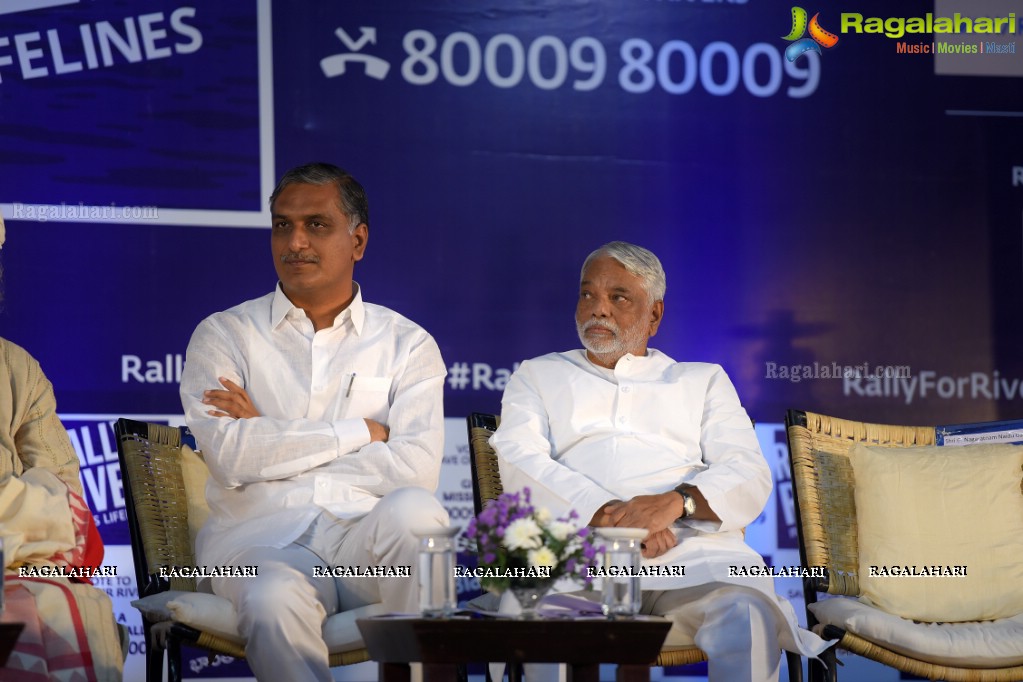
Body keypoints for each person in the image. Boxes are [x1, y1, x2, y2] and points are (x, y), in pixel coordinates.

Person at [490, 241, 832, 682]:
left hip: (691, 554)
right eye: (587, 294)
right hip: (579, 555)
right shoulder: (538, 374)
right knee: (538, 616)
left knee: (747, 613)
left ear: (654, 314)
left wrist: (675, 504)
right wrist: (615, 519)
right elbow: (520, 459)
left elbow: (748, 470)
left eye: (618, 297)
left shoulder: (702, 380)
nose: (599, 309)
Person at [179, 163, 448, 681]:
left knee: (417, 514)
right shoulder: (224, 335)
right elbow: (232, 457)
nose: (295, 241)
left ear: (359, 240)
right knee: (272, 596)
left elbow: (415, 470)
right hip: (258, 539)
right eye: (283, 225)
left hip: (363, 542)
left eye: (316, 225)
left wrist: (271, 438)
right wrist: (361, 433)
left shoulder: (407, 344)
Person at [0, 209, 124, 680]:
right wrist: (32, 507)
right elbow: (49, 508)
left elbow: (70, 509)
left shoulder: (18, 369)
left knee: (65, 603)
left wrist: (32, 511)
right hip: (18, 554)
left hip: (21, 568)